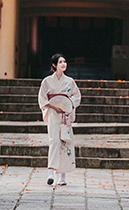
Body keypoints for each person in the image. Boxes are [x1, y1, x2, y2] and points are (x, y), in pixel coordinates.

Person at [38, 53, 81, 186]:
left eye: (65, 61)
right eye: (60, 62)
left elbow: (76, 96)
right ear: (54, 65)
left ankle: (63, 176)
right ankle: (51, 171)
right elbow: (42, 98)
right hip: (52, 113)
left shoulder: (70, 81)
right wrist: (53, 106)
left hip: (65, 114)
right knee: (54, 141)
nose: (64, 64)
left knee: (65, 141)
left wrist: (68, 105)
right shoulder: (47, 81)